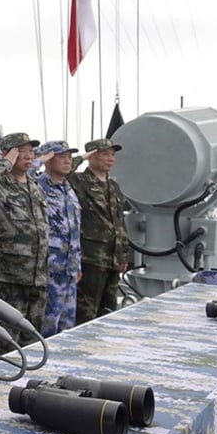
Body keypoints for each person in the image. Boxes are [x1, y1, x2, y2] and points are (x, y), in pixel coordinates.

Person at [0, 132, 48, 350]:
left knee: (33, 338)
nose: (29, 156)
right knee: (7, 341)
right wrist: (3, 165)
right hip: (10, 275)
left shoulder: (35, 186)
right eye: (22, 151)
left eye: (31, 151)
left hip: (38, 274)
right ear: (8, 154)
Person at [68, 138, 130, 325]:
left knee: (109, 312)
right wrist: (82, 157)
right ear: (92, 157)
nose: (110, 159)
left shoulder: (114, 187)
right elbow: (64, 170)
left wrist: (124, 253)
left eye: (112, 155)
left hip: (112, 258)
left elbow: (119, 222)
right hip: (91, 258)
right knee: (86, 313)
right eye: (104, 154)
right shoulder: (79, 181)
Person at [34, 141, 82, 336]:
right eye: (61, 156)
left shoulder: (69, 189)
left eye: (69, 157)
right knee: (48, 324)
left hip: (69, 268)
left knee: (67, 325)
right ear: (48, 159)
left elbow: (74, 229)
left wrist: (77, 264)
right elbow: (16, 177)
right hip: (49, 268)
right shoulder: (38, 185)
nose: (67, 161)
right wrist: (38, 161)